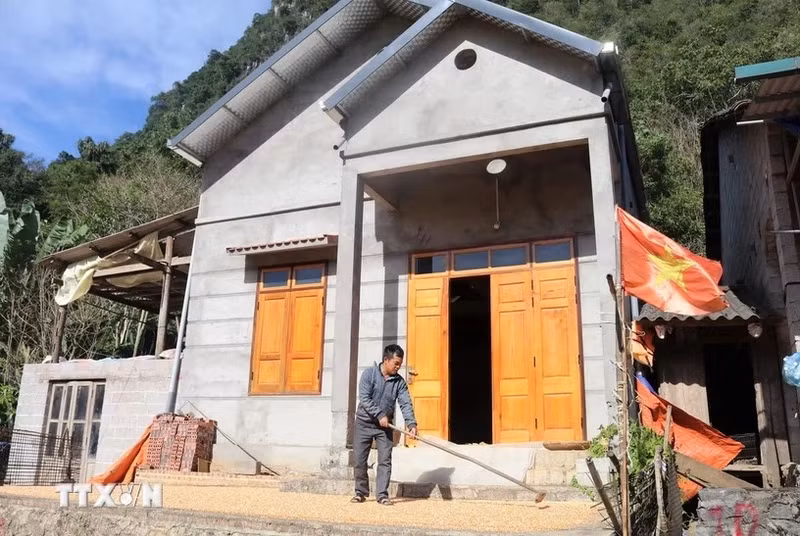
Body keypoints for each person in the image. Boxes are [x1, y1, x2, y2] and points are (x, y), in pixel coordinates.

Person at [351, 344, 417, 506]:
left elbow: (405, 403)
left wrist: (411, 423)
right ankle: (361, 492)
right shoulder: (369, 374)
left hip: (384, 428)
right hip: (364, 424)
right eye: (396, 363)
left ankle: (382, 495)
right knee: (359, 460)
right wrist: (380, 414)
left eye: (400, 364)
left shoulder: (399, 382)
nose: (398, 367)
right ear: (386, 360)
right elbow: (365, 398)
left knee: (385, 461)